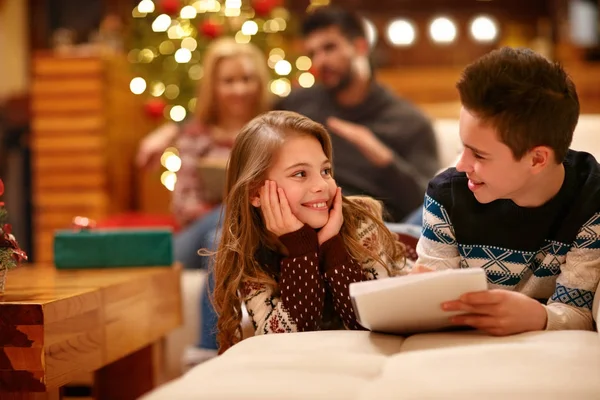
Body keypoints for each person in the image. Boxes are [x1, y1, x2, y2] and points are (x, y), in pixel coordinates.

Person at [416, 47, 600, 334]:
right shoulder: (445, 197)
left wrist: (539, 317)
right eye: (462, 147)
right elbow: (431, 303)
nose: (462, 164)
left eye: (479, 155)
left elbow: (577, 311)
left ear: (537, 159)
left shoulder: (591, 200)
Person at [212, 111, 410, 353]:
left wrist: (332, 247)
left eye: (325, 171)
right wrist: (301, 250)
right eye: (300, 174)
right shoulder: (252, 252)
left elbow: (372, 322)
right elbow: (279, 341)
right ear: (255, 192)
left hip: (409, 243)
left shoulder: (360, 218)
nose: (321, 185)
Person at [136, 38, 271, 358]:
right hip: (192, 235)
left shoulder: (270, 132)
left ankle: (207, 353)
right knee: (226, 214)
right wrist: (224, 204)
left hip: (244, 237)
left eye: (247, 79)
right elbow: (182, 205)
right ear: (214, 86)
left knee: (220, 236)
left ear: (259, 82)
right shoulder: (196, 136)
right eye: (229, 81)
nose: (239, 89)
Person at [277, 6, 440, 223]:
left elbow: (427, 206)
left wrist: (385, 160)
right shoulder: (298, 105)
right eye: (313, 53)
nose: (320, 62)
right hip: (304, 217)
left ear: (360, 46)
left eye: (329, 48)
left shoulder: (410, 121)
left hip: (375, 226)